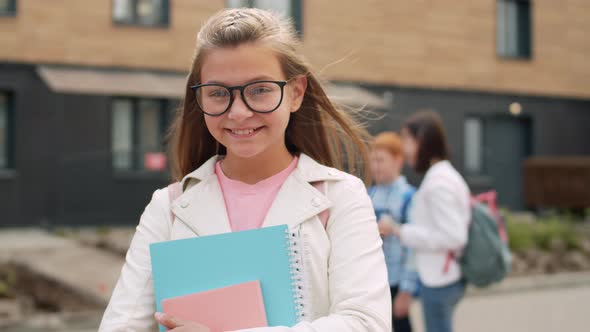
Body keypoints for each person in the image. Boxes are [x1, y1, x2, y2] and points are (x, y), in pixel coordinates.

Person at [99, 8, 391, 332]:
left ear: (295, 92)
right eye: (218, 93)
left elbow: (366, 324)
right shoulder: (167, 208)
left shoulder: (341, 197)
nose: (238, 113)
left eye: (259, 90)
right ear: (200, 98)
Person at [390, 111, 470, 332]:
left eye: (407, 139)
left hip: (439, 278)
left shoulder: (438, 183)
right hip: (445, 274)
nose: (404, 147)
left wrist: (401, 232)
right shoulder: (445, 175)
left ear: (423, 140)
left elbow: (454, 236)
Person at [368, 132, 419, 332]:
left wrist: (407, 291)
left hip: (397, 282)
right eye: (372, 160)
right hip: (372, 284)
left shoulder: (409, 196)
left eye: (380, 160)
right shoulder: (367, 194)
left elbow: (415, 248)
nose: (375, 166)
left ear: (398, 161)